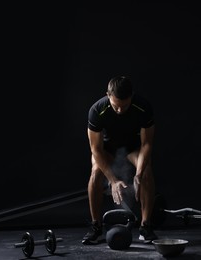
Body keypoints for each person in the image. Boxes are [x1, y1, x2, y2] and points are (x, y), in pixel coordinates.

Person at [82, 76, 158, 245]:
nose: (119, 110)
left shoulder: (143, 107)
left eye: (124, 106)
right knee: (95, 172)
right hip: (107, 150)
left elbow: (146, 144)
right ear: (107, 95)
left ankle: (145, 226)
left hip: (133, 149)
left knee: (145, 170)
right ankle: (96, 226)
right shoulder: (97, 110)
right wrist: (113, 180)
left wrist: (138, 175)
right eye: (116, 106)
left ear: (132, 96)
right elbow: (95, 149)